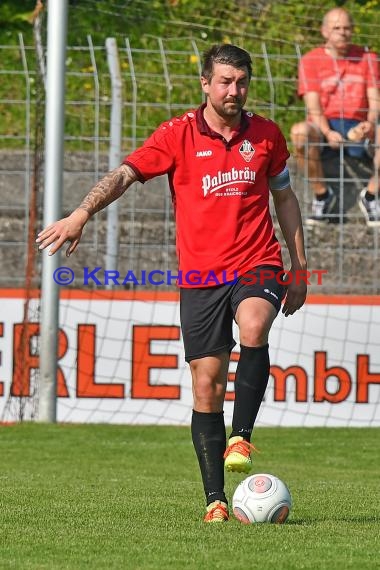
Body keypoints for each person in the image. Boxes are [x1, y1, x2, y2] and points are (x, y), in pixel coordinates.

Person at [36, 44, 307, 522]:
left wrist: (300, 265)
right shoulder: (177, 134)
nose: (234, 91)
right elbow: (124, 175)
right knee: (206, 386)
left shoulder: (265, 135)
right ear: (205, 83)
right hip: (200, 276)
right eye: (224, 82)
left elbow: (284, 199)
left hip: (257, 262)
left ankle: (241, 436)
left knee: (254, 327)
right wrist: (81, 213)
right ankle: (216, 501)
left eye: (241, 82)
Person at [290, 7, 380, 226]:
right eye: (336, 28)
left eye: (347, 28)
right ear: (324, 31)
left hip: (359, 124)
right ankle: (322, 196)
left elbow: (375, 98)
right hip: (323, 124)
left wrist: (369, 123)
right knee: (299, 132)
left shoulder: (369, 58)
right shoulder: (311, 60)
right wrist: (328, 131)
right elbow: (313, 106)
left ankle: (371, 196)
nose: (342, 32)